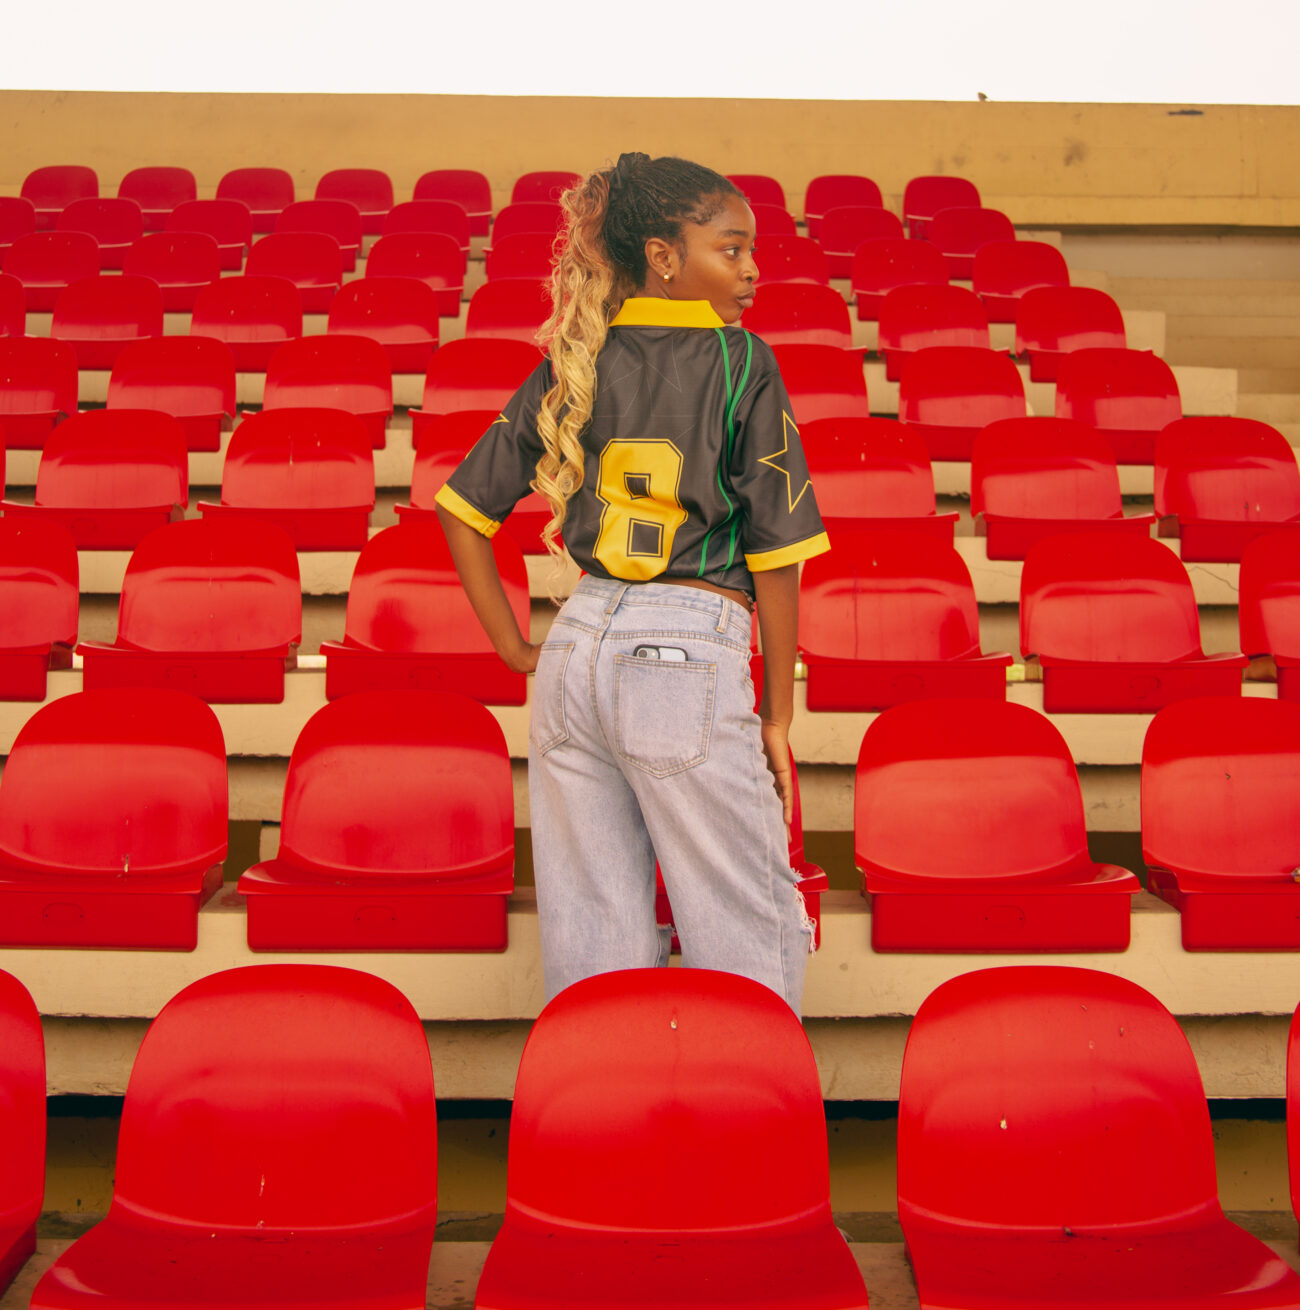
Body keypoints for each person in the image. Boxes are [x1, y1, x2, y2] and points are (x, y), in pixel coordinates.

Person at [435, 152, 829, 1014]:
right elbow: (775, 550)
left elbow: (461, 510)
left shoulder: (577, 361)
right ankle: (754, 1134)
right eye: (730, 250)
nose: (752, 268)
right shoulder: (741, 360)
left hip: (575, 654)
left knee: (592, 947)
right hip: (685, 650)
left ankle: (598, 1132)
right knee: (747, 930)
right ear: (663, 256)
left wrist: (516, 648)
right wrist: (779, 712)